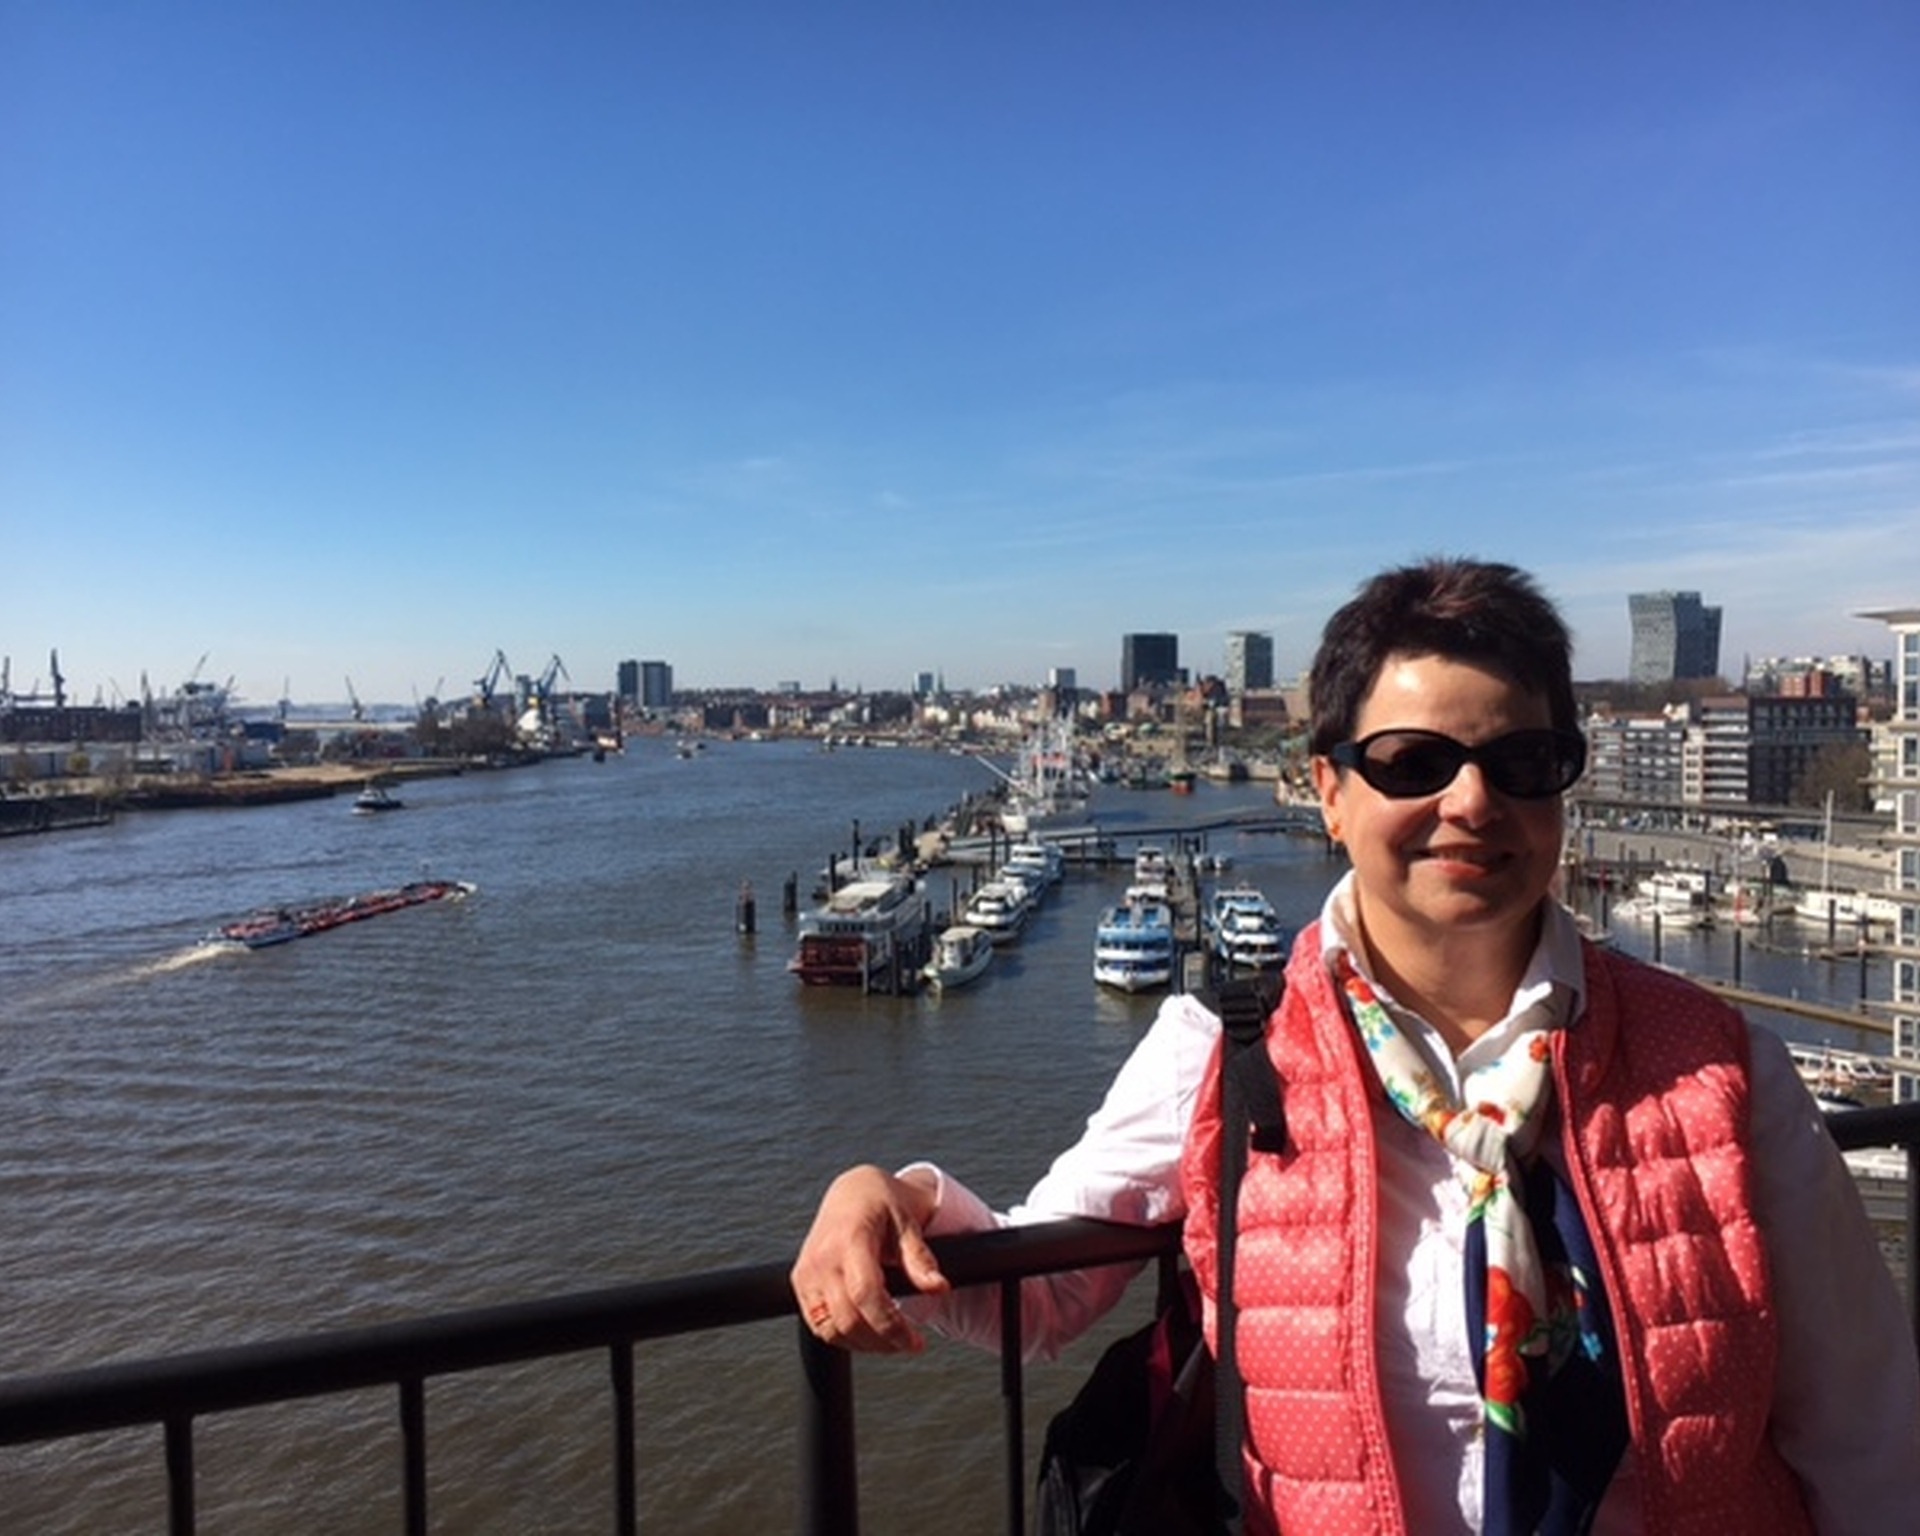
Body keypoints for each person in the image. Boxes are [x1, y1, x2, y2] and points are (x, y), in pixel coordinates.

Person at [791, 557, 1920, 1535]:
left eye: (1522, 761)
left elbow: (1868, 1439)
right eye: (1412, 762)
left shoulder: (1722, 1073)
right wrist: (887, 1199)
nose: (1472, 800)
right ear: (1327, 791)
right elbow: (1032, 1293)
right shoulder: (1222, 1055)